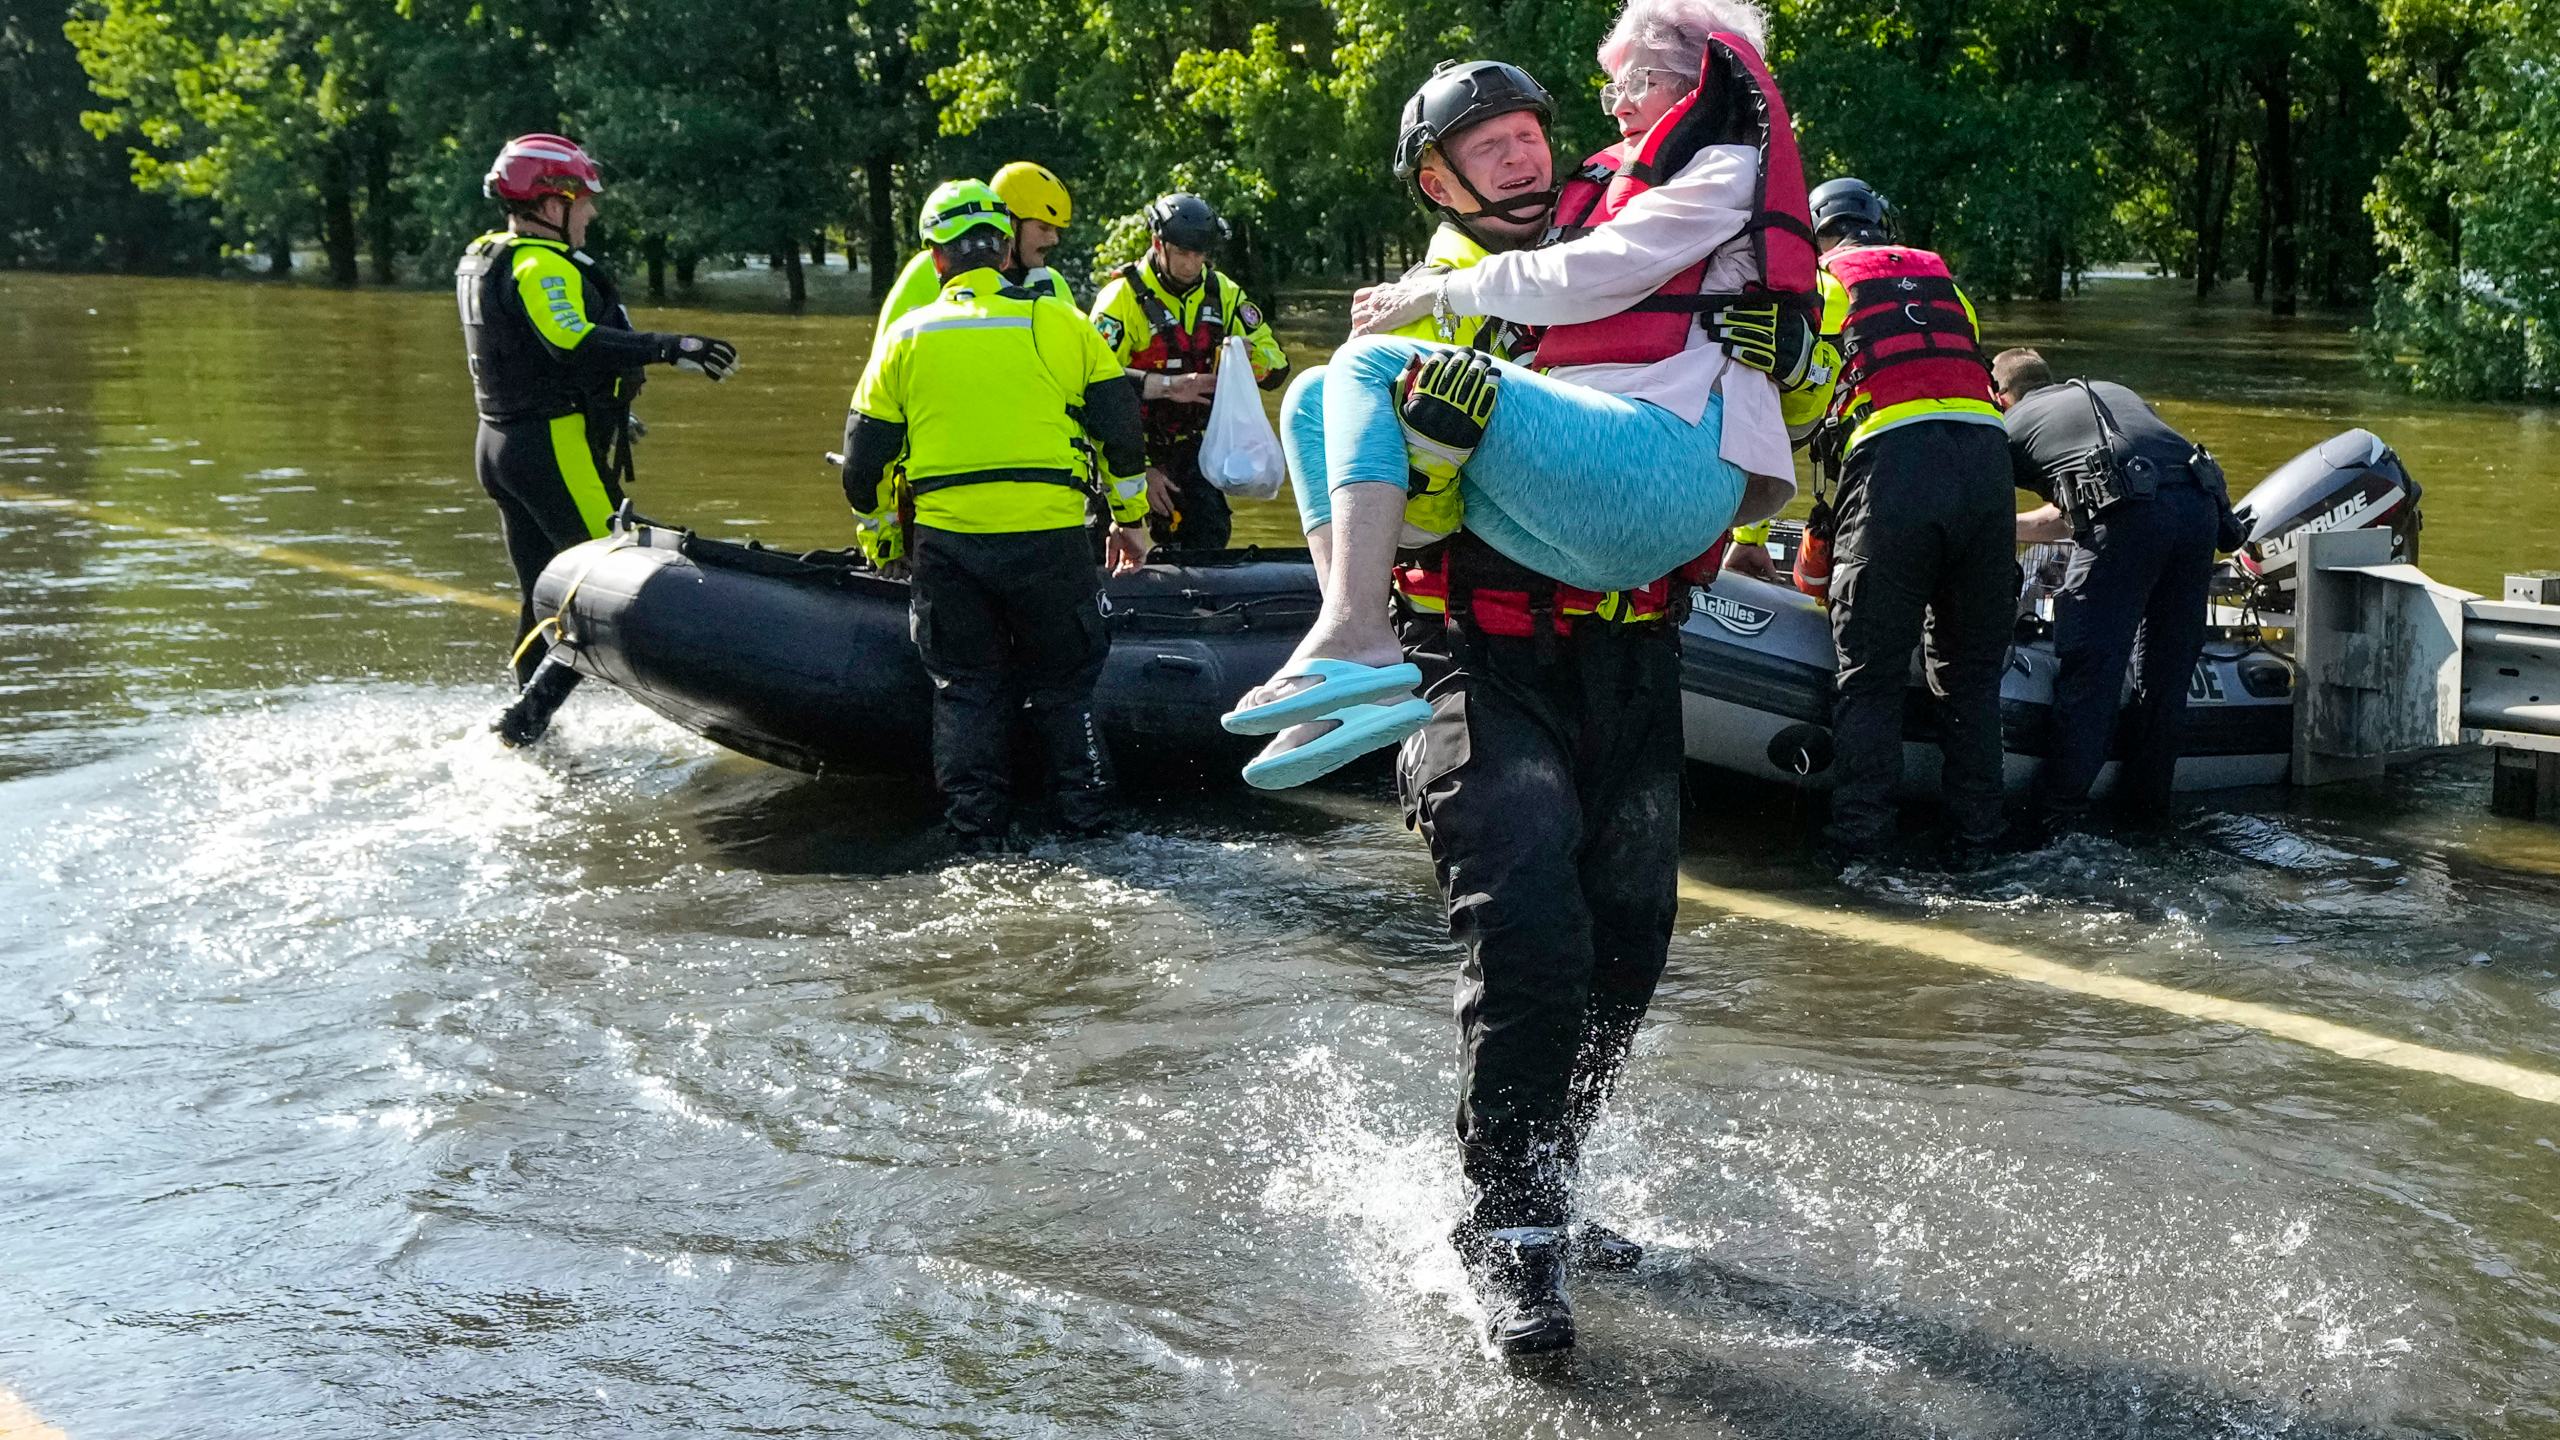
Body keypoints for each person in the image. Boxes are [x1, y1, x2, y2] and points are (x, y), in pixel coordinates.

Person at [1251, 1, 1810, 1358]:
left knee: (1629, 946)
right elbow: (1376, 467)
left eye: (1527, 135)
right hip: (1472, 654)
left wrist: (1797, 343)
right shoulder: (1421, 299)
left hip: (1630, 649)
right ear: (1435, 181)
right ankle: (1509, 1232)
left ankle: (1552, 1184)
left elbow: (1760, 320)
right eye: (1480, 148)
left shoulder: (1625, 233)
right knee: (1533, 932)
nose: (1517, 159)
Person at [841, 181, 1149, 849]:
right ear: (1007, 247)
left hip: (951, 547)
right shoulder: (1061, 324)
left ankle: (976, 839)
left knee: (966, 689)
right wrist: (1130, 517)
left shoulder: (906, 337)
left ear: (935, 257)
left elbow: (862, 464)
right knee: (1067, 690)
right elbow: (1121, 432)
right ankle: (1090, 830)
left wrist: (882, 537)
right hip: (1051, 542)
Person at [457, 133, 738, 747]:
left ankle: (525, 736)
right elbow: (570, 340)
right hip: (547, 448)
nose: (590, 210)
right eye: (580, 198)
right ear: (549, 203)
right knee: (601, 585)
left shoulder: (486, 255)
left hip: (502, 445)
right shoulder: (537, 264)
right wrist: (673, 346)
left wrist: (611, 411)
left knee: (539, 592)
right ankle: (525, 717)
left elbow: (525, 358)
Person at [1798, 176, 2013, 869]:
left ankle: (1861, 854)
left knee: (1870, 675)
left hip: (1896, 470)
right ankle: (1978, 847)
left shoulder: (1820, 286)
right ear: (1882, 226)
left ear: (1819, 234)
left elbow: (1787, 413)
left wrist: (1745, 537)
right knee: (1972, 680)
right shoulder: (1948, 286)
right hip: (1987, 468)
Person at [1995, 348, 2237, 836]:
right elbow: (2096, 500)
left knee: (2093, 670)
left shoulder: (2012, 424)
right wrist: (2013, 527)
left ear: (1998, 396)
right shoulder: (2110, 393)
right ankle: (2146, 817)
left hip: (2131, 521)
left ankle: (2058, 819)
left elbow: (1973, 500)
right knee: (2166, 675)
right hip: (2199, 511)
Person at [1087, 194, 1291, 554]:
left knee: (1209, 533)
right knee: (1095, 541)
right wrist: (1142, 471)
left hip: (1193, 450)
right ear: (1158, 244)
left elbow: (1277, 367)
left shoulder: (1223, 293)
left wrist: (1247, 358)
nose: (1192, 264)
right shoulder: (1119, 299)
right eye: (1183, 253)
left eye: (1200, 254)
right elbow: (1093, 385)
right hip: (1127, 450)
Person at [875, 162, 1079, 331]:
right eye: (1043, 228)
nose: (1054, 240)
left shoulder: (1054, 284)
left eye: (1057, 230)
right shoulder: (926, 270)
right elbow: (887, 356)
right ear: (1010, 223)